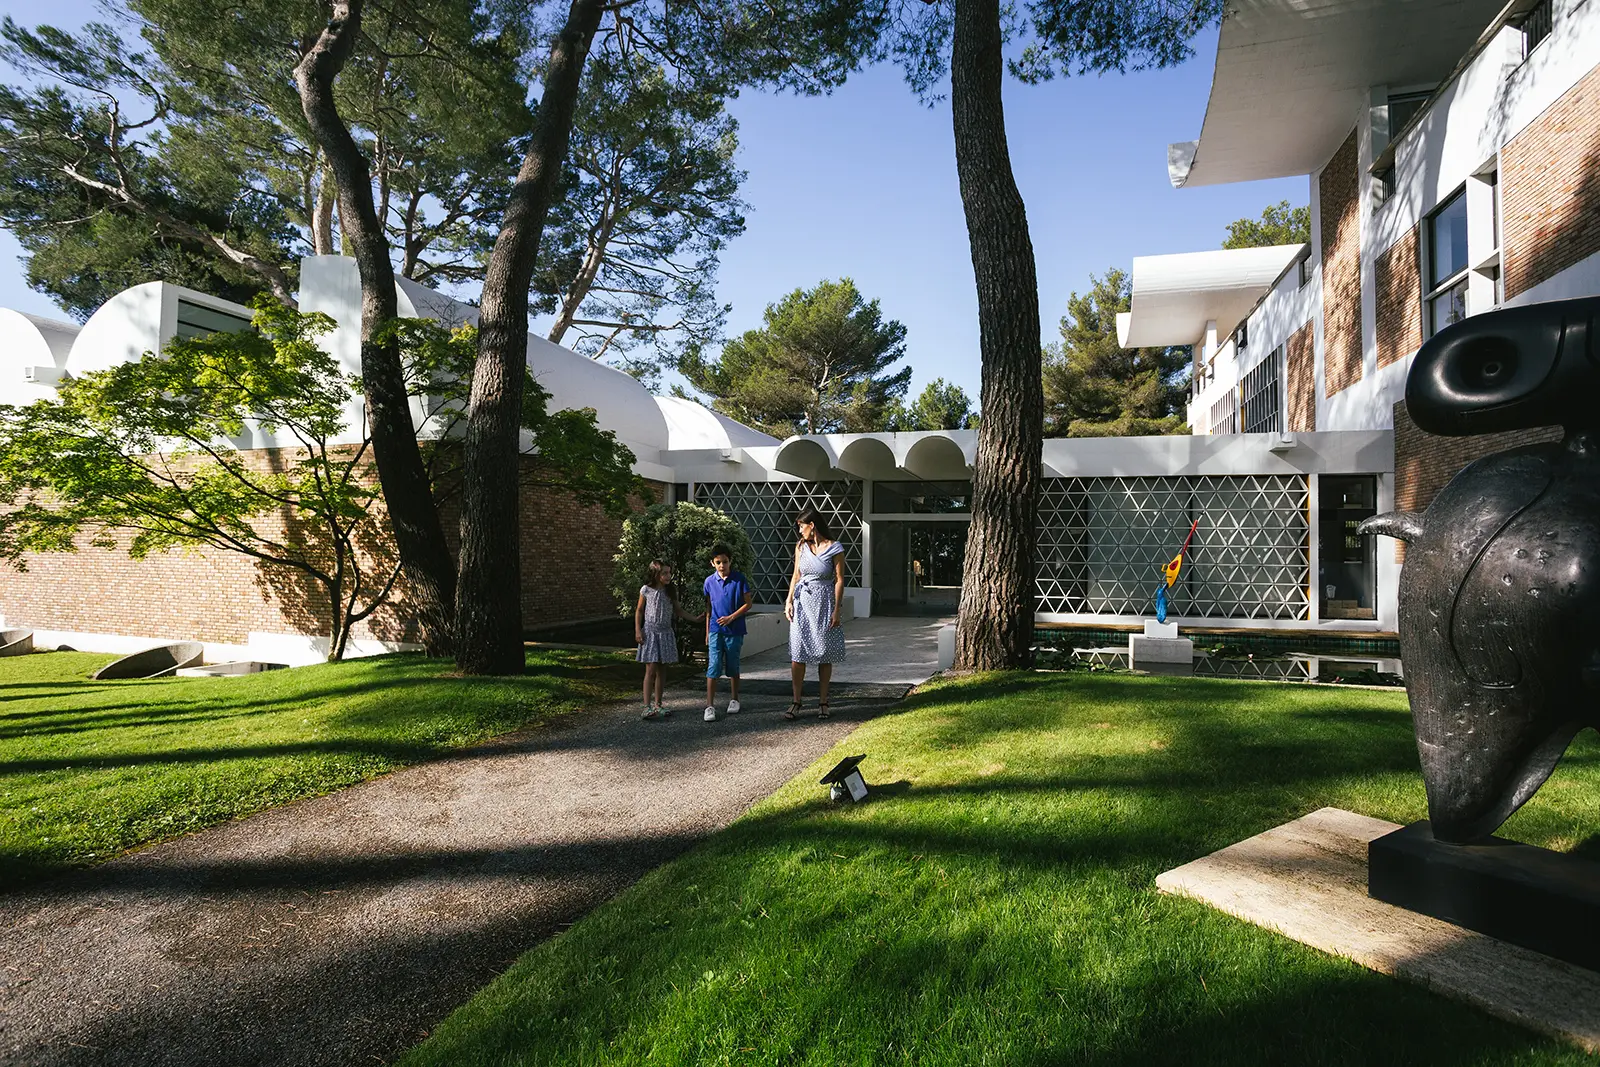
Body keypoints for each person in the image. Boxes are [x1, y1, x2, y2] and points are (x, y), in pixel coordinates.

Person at [784, 505, 846, 720]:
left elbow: (839, 580)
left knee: (824, 653)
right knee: (797, 652)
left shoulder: (835, 547)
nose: (799, 531)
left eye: (801, 526)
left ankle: (823, 701)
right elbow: (796, 575)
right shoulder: (800, 546)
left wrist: (836, 610)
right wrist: (789, 601)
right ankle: (796, 701)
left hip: (824, 602)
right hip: (802, 602)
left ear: (812, 525)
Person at [635, 560, 699, 720]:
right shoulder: (646, 590)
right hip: (650, 633)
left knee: (662, 669)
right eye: (664, 573)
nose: (668, 576)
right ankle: (646, 706)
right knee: (650, 669)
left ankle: (658, 704)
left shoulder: (670, 591)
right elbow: (639, 610)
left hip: (665, 633)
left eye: (669, 572)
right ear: (655, 574)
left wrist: (695, 619)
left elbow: (679, 611)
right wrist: (638, 630)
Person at [702, 544, 753, 722]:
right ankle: (709, 706)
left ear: (730, 561)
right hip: (716, 630)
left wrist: (731, 617)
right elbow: (708, 607)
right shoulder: (709, 582)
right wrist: (707, 631)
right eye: (718, 562)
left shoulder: (739, 579)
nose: (722, 565)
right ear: (712, 563)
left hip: (735, 630)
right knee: (713, 665)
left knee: (733, 665)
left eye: (725, 562)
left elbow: (748, 603)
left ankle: (734, 699)